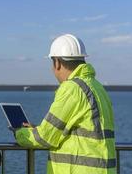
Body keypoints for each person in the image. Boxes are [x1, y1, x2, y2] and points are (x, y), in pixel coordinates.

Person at [15, 34, 116, 173]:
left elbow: (45, 137)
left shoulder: (72, 89)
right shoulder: (97, 87)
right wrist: (36, 128)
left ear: (57, 62)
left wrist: (20, 133)